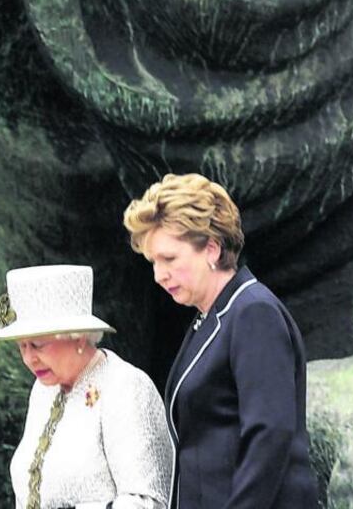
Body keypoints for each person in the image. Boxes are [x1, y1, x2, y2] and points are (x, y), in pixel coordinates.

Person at [123, 173, 318, 509]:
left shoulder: (252, 311)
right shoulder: (213, 316)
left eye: (169, 259)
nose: (158, 275)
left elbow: (269, 436)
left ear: (211, 248)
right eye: (153, 262)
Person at [0, 264, 173, 509]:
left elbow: (147, 501)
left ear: (77, 336)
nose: (28, 358)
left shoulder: (125, 387)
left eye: (37, 344)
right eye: (21, 346)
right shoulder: (43, 391)